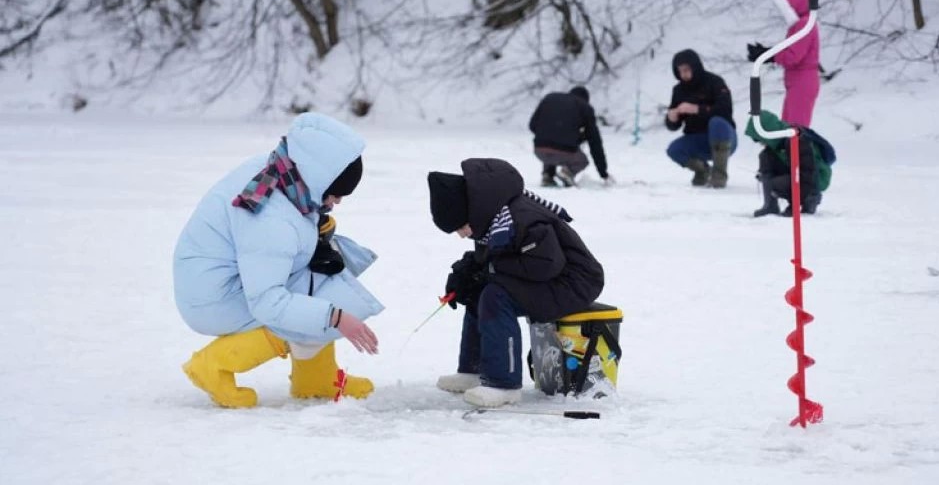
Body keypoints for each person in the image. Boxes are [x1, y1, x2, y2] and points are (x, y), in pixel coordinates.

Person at [173, 112, 384, 408]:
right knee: (308, 308)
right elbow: (268, 301)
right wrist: (335, 318)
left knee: (323, 287)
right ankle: (213, 366)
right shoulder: (269, 219)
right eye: (335, 194)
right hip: (214, 298)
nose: (337, 203)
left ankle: (315, 378)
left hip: (232, 278)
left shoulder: (285, 172)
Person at [426, 158, 604, 407]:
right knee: (477, 292)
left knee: (495, 297)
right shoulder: (491, 218)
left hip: (573, 281)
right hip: (551, 277)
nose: (462, 234)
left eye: (461, 227)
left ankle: (504, 384)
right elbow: (493, 257)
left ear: (470, 211)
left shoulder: (521, 218)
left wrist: (491, 270)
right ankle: (472, 369)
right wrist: (466, 273)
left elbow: (545, 264)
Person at [747, 0, 821, 128]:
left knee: (795, 129)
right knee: (788, 127)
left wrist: (769, 55)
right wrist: (767, 52)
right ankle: (790, 150)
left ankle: (796, 151)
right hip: (798, 82)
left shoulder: (804, 24)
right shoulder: (801, 24)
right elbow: (791, 49)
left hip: (802, 83)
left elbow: (793, 56)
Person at [664, 49, 738, 188]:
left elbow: (725, 110)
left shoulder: (715, 82)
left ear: (695, 67)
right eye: (680, 71)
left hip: (724, 138)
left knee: (717, 123)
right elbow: (674, 125)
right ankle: (702, 170)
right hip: (698, 140)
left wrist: (697, 109)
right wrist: (672, 118)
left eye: (686, 70)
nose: (683, 74)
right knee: (673, 150)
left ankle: (719, 175)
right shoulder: (678, 90)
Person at [744, 110, 834, 217]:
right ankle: (770, 206)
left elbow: (807, 174)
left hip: (816, 179)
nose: (760, 143)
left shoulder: (797, 140)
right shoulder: (777, 144)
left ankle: (811, 198)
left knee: (775, 184)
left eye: (760, 139)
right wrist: (764, 176)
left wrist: (793, 207)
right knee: (765, 157)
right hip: (800, 175)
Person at [528, 86, 611, 187]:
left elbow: (532, 125)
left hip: (539, 150)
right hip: (564, 152)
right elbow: (595, 142)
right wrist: (603, 173)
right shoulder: (585, 107)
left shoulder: (550, 97)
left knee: (552, 143)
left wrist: (545, 135)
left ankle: (547, 176)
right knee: (582, 161)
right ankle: (567, 173)